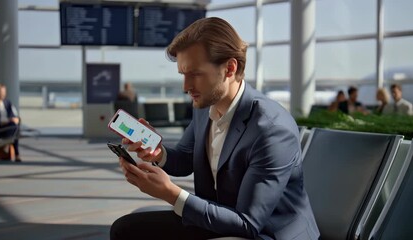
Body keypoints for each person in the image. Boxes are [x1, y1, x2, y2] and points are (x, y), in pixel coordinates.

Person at [110, 17, 319, 240]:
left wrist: (171, 193)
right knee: (125, 230)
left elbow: (248, 223)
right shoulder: (204, 107)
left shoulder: (271, 130)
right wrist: (158, 153)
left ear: (230, 68)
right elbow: (185, 158)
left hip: (264, 234)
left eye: (196, 74)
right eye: (183, 74)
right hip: (218, 222)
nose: (186, 86)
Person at [0, 83, 21, 162]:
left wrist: (16, 119)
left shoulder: (8, 103)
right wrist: (6, 122)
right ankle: (16, 154)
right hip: (0, 130)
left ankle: (9, 145)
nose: (4, 94)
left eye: (4, 92)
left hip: (10, 128)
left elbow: (14, 115)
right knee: (15, 128)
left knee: (15, 125)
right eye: (2, 92)